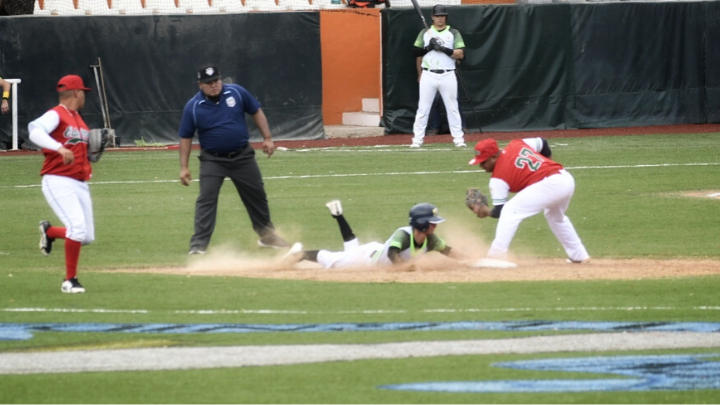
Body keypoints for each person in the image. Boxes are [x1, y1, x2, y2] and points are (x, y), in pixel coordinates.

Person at [178, 64, 289, 255]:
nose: (214, 85)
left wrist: (268, 138)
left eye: (216, 81)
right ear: (200, 85)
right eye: (208, 83)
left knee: (257, 196)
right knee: (206, 199)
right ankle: (198, 245)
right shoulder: (193, 106)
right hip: (212, 160)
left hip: (242, 157)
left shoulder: (236, 93)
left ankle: (267, 236)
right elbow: (185, 137)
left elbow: (256, 111)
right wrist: (184, 167)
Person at [467, 138, 591, 263]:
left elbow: (500, 211)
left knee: (510, 211)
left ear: (494, 157)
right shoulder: (516, 144)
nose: (481, 166)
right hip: (565, 178)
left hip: (551, 184)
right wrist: (546, 165)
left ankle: (496, 256)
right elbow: (543, 143)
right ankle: (579, 255)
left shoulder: (497, 179)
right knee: (555, 217)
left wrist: (485, 211)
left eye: (483, 162)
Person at [28, 75, 96, 293]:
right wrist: (59, 148)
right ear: (76, 93)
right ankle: (70, 281)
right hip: (58, 179)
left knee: (86, 236)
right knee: (77, 228)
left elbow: (78, 149)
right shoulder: (56, 114)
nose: (84, 95)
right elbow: (34, 130)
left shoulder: (78, 118)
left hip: (79, 181)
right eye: (83, 92)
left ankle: (50, 233)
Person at [281, 200, 463, 269]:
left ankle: (338, 215)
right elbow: (393, 254)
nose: (434, 226)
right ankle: (301, 254)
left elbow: (447, 250)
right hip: (367, 259)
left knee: (351, 250)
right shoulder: (404, 235)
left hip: (374, 251)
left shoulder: (430, 239)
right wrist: (405, 269)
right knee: (334, 261)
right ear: (421, 223)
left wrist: (470, 259)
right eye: (431, 223)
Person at [411, 4, 466, 148]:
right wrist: (429, 47)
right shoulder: (425, 32)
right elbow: (415, 52)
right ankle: (417, 140)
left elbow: (461, 54)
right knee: (423, 108)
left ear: (445, 17)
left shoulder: (453, 32)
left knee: (452, 108)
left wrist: (442, 48)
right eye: (437, 16)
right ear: (432, 17)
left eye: (442, 16)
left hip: (447, 74)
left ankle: (459, 139)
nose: (439, 18)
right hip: (428, 74)